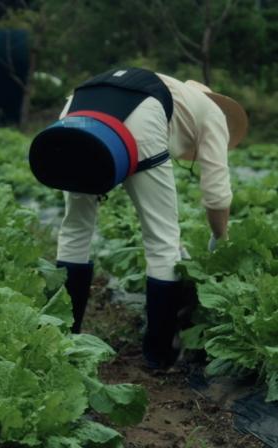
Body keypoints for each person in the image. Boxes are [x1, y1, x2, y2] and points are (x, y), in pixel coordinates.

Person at [29, 67, 248, 369]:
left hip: (77, 109)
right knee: (162, 241)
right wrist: (220, 237)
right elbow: (217, 195)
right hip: (142, 116)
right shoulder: (213, 112)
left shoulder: (174, 92)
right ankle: (159, 355)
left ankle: (61, 339)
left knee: (75, 230)